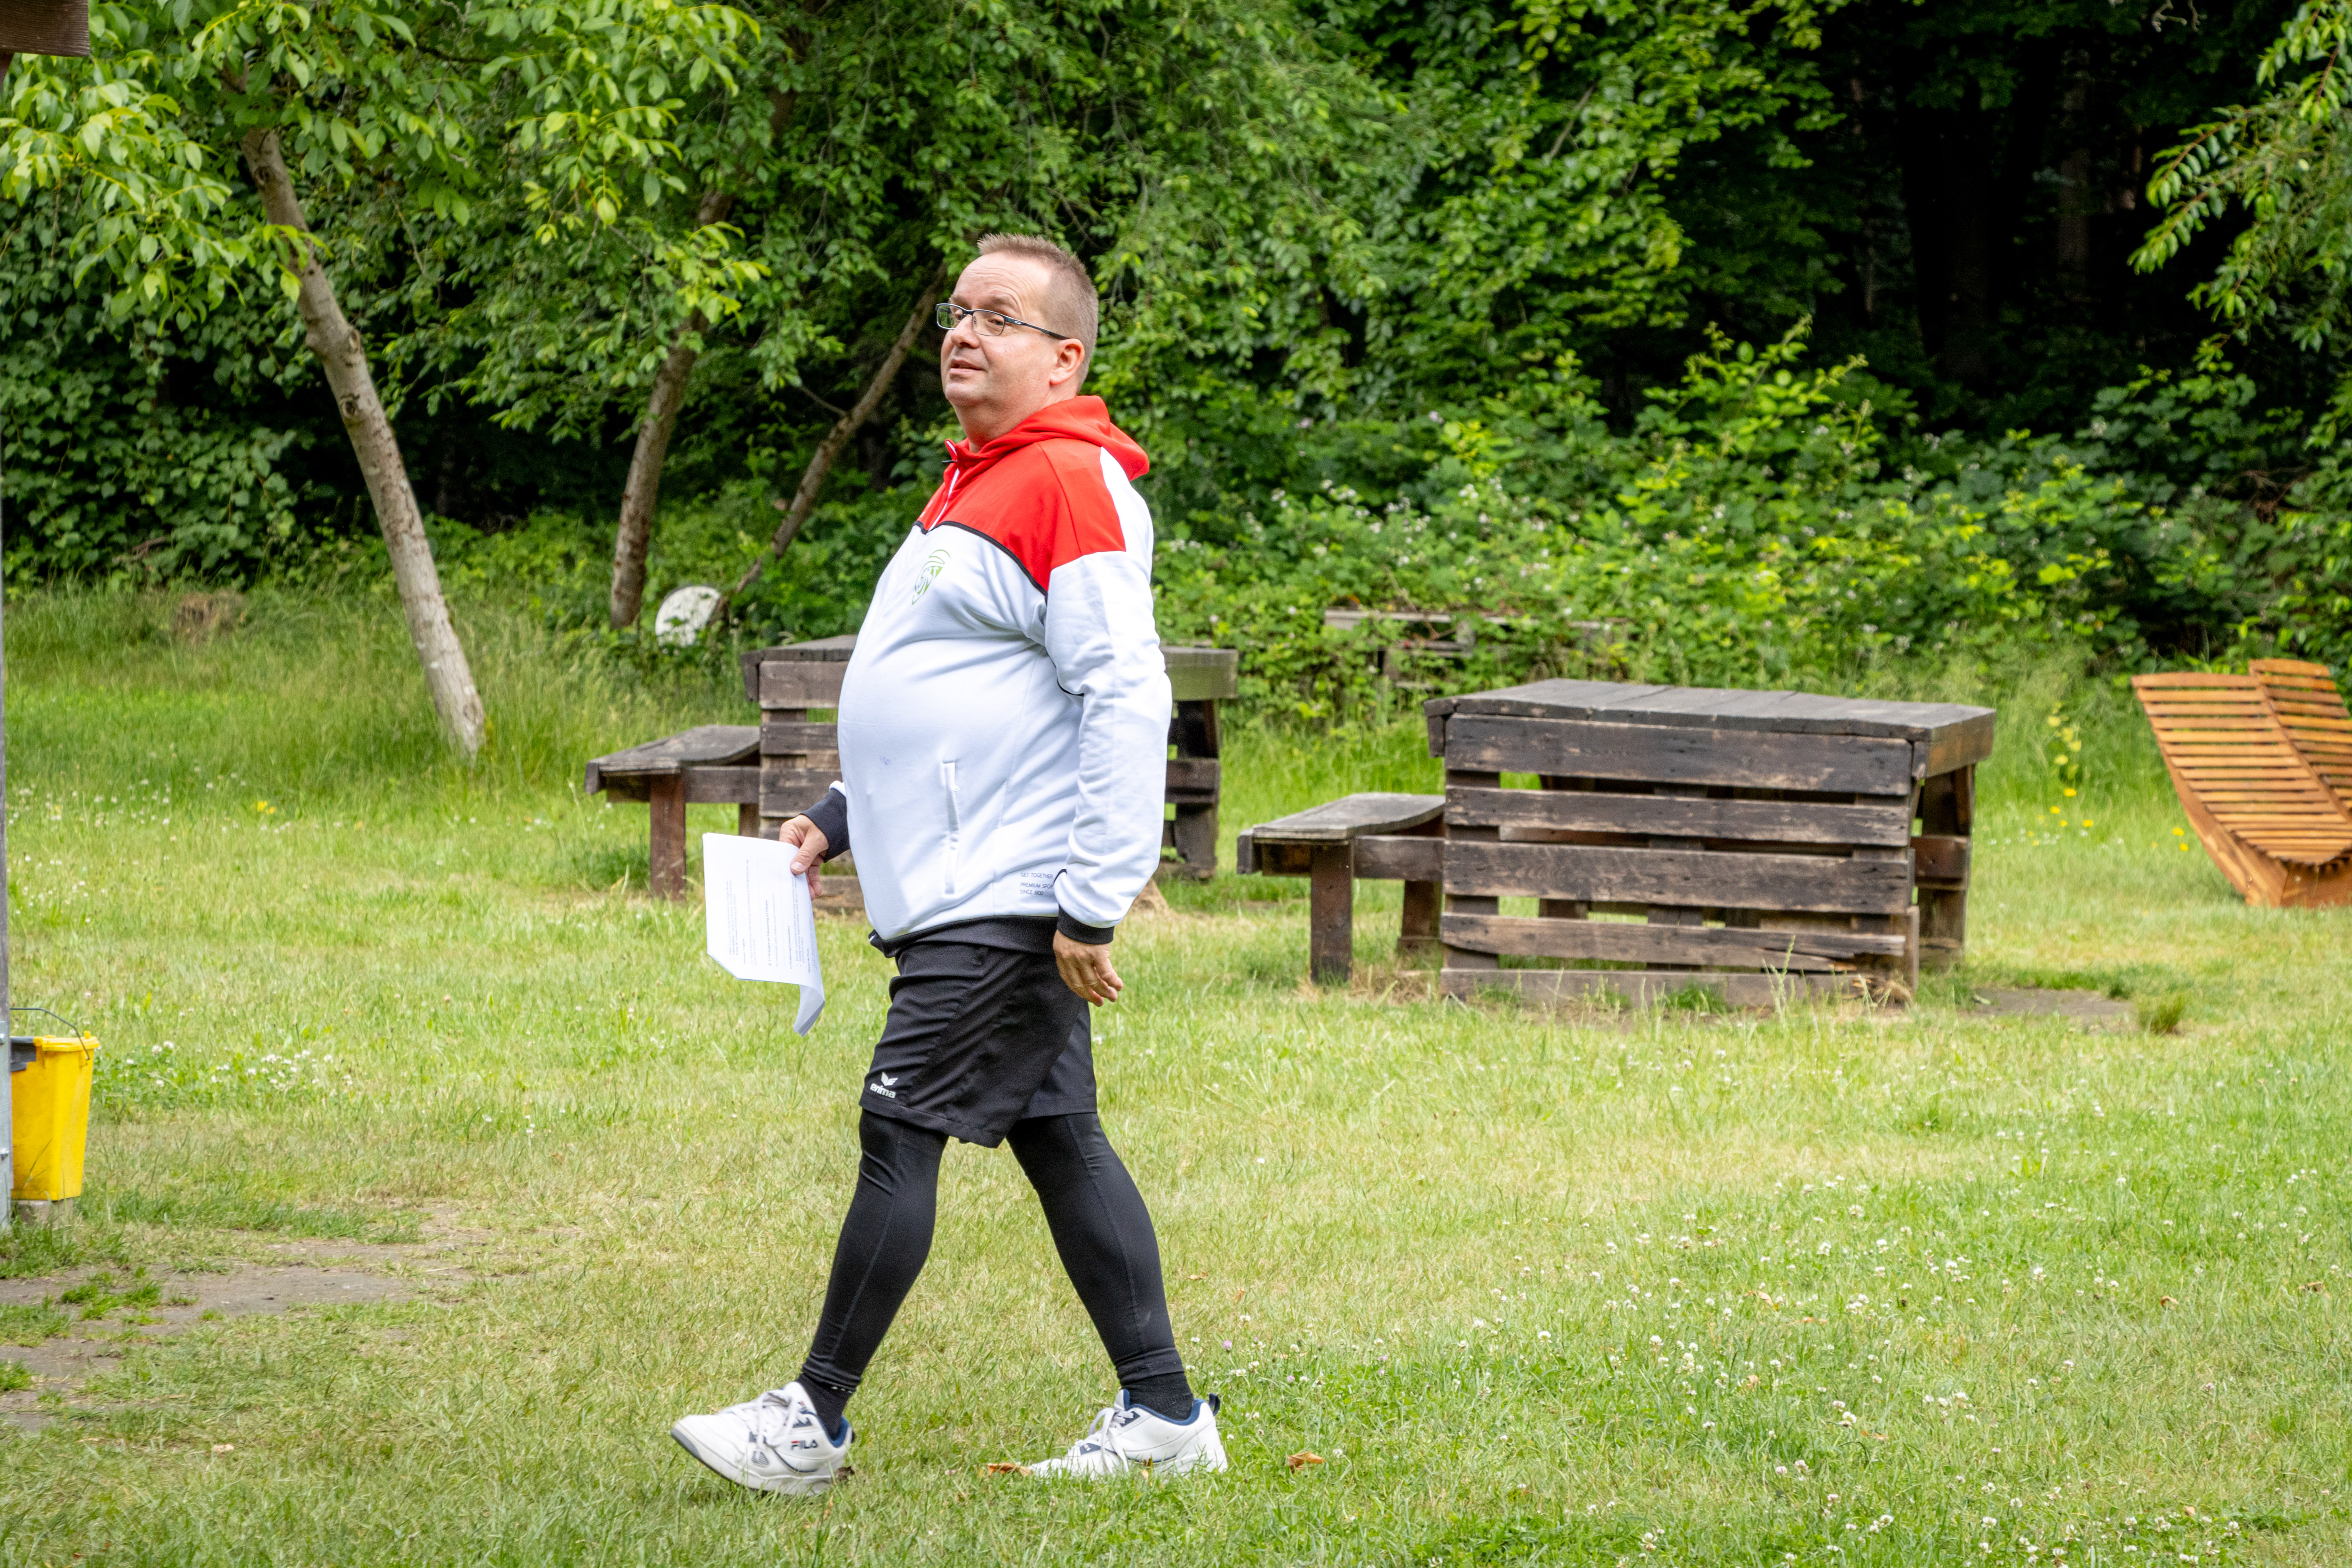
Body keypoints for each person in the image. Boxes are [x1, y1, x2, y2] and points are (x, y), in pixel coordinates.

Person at [669, 233, 1223, 1494]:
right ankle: (1165, 1418)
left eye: (1000, 317)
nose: (964, 333)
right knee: (1061, 1140)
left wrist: (1092, 901)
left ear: (1065, 359)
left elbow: (1124, 695)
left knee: (898, 1126)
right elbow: (962, 695)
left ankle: (811, 1421)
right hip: (978, 881)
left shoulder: (1066, 480)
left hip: (1008, 891)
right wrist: (839, 814)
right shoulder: (976, 480)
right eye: (956, 313)